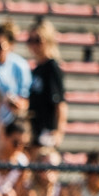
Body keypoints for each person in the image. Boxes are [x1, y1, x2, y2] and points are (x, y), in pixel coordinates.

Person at [26, 19, 66, 151]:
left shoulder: (52, 67)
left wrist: (58, 132)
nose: (33, 45)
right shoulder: (37, 69)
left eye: (37, 40)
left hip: (47, 131)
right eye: (30, 40)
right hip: (35, 131)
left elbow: (59, 103)